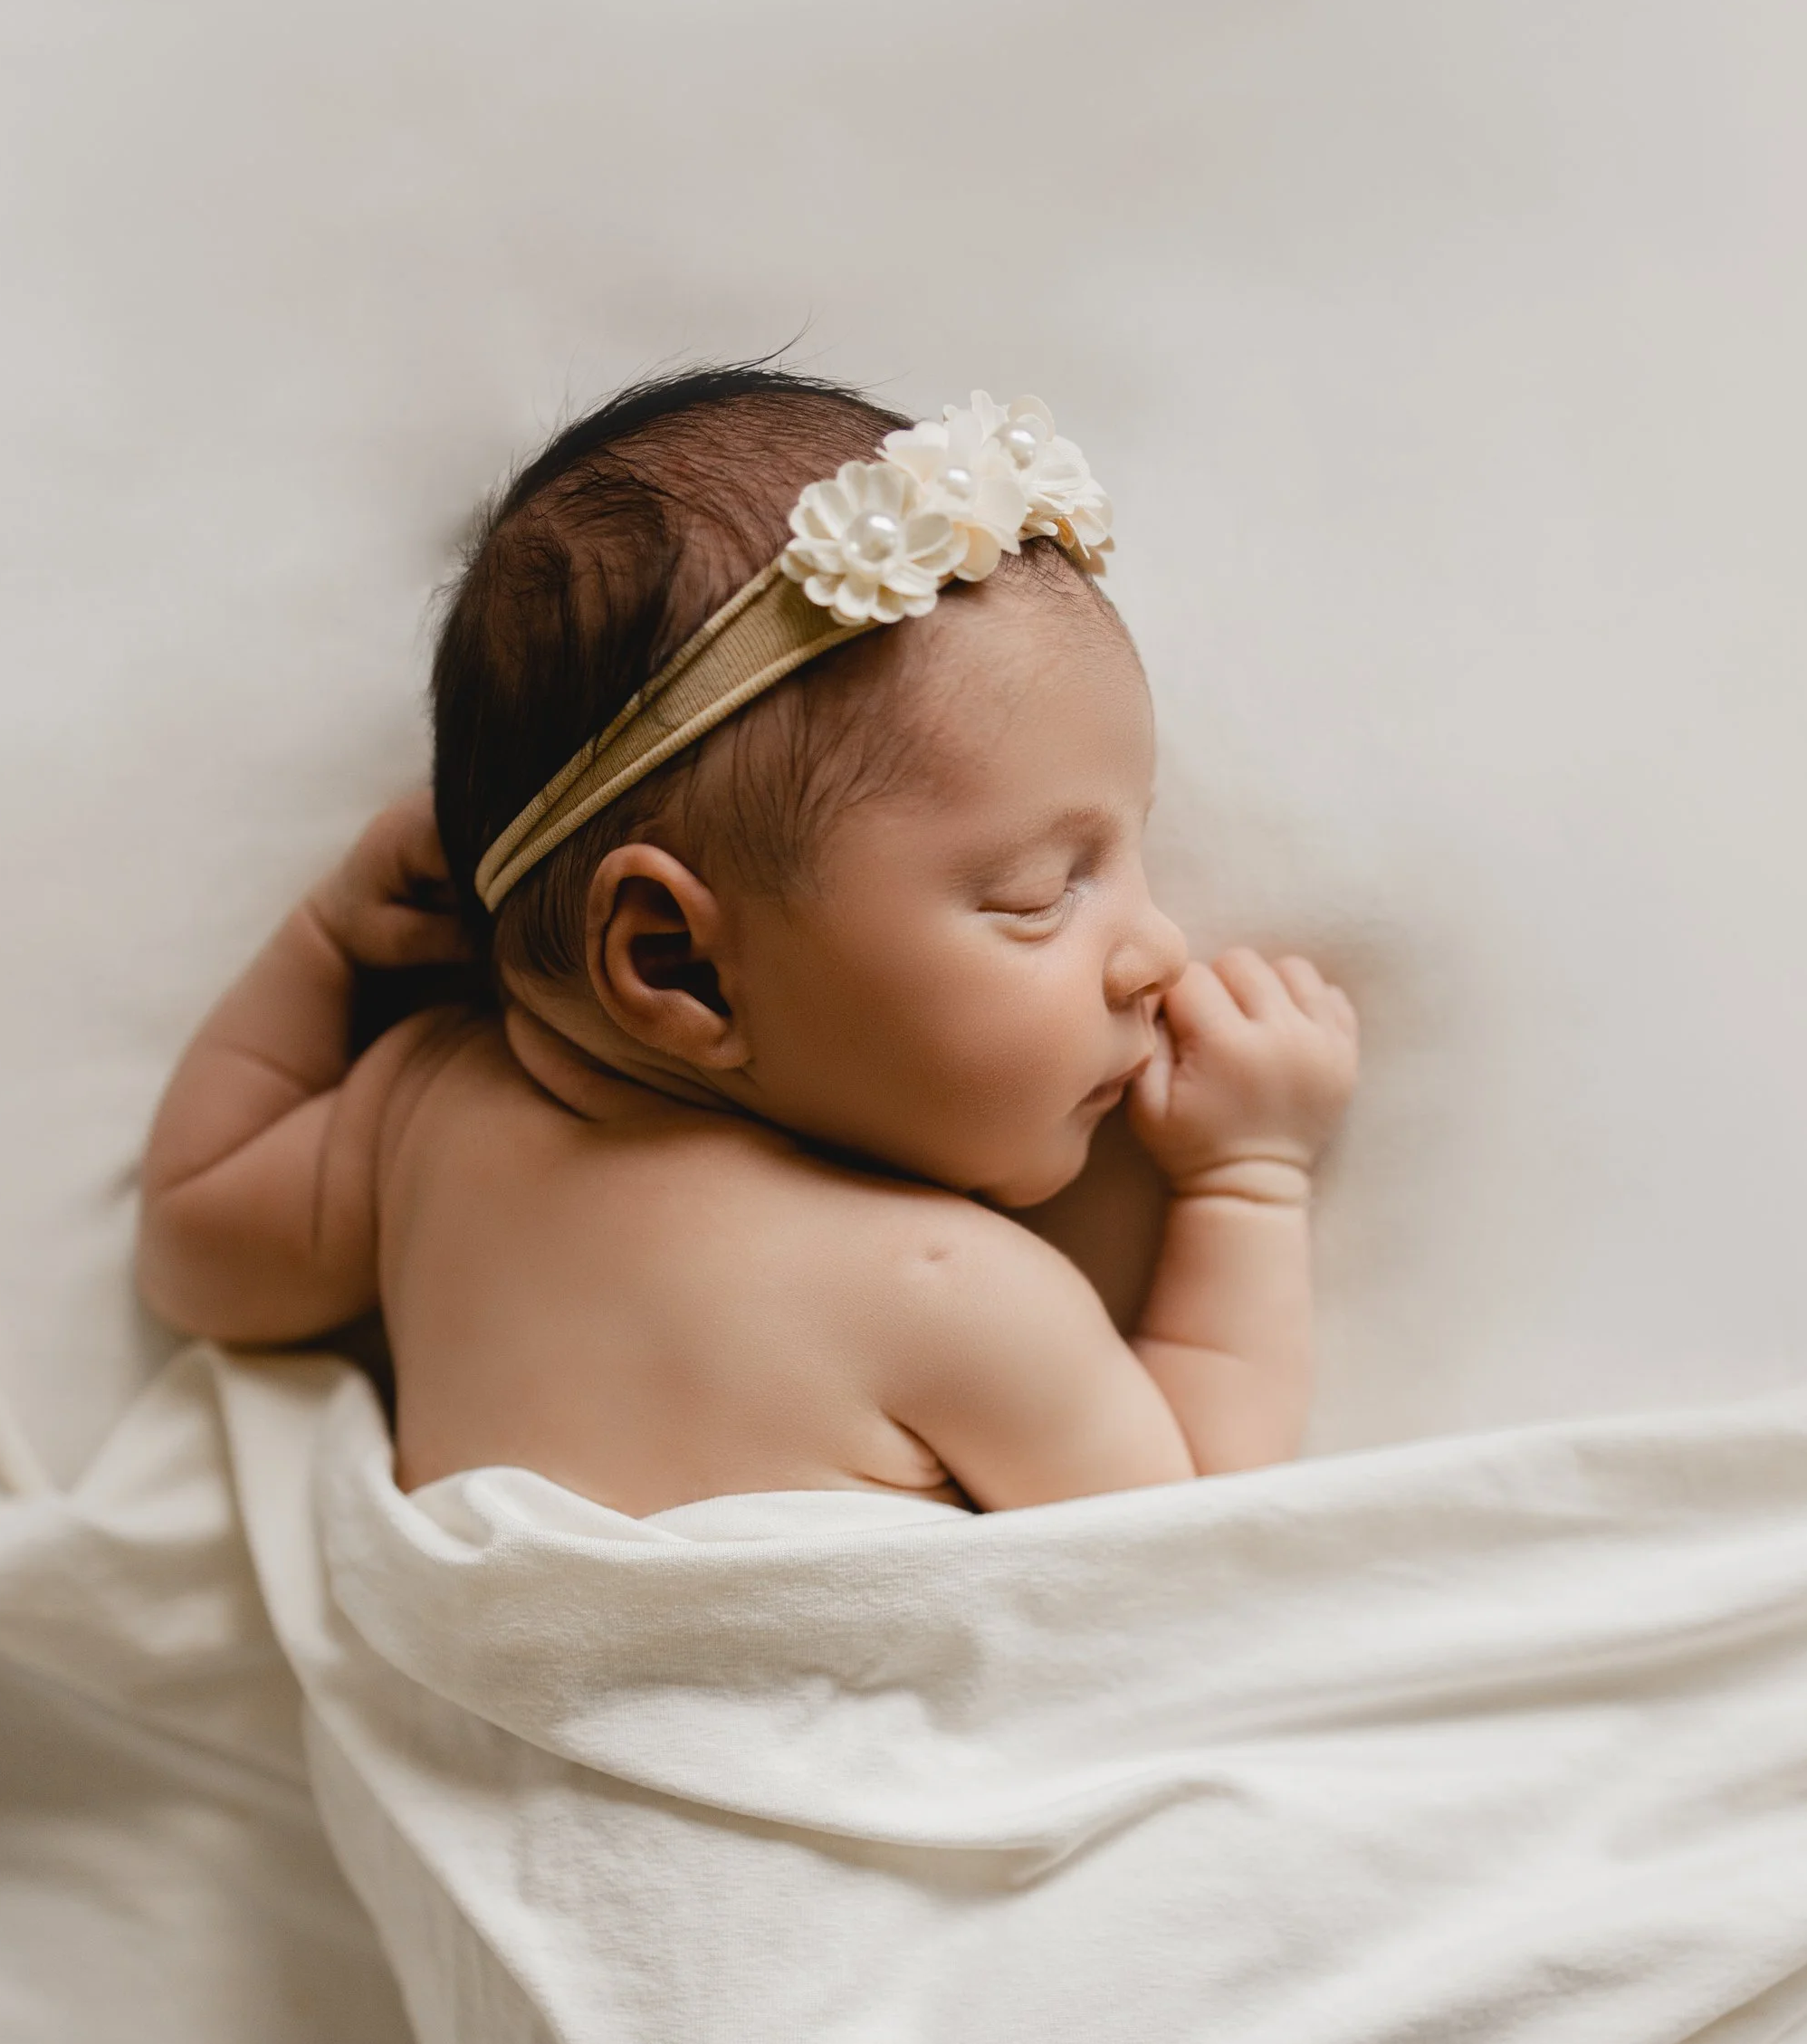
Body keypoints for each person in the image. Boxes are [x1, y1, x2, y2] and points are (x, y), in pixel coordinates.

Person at [139, 368, 1358, 1514]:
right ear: (675, 964)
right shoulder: (947, 1292)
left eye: (1133, 853)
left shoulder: (419, 1116)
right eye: (1044, 890)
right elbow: (1194, 1536)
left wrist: (323, 947)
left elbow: (193, 1252)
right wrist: (1248, 1179)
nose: (1157, 948)